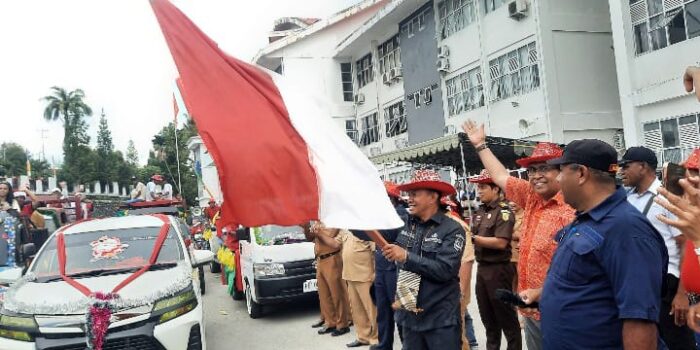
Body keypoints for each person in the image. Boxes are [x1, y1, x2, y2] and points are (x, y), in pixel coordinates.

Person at [520, 139, 668, 349]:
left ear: (581, 173)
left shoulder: (626, 230)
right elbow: (586, 280)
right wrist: (543, 294)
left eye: (561, 171)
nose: (559, 180)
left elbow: (639, 319)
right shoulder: (586, 218)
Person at [462, 120, 575, 350]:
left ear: (562, 172)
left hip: (561, 312)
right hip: (530, 310)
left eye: (544, 168)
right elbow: (500, 176)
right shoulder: (532, 197)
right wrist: (481, 146)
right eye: (532, 170)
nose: (536, 176)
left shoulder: (573, 208)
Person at [619, 146, 696, 349]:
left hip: (668, 285)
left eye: (626, 166)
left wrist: (681, 294)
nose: (621, 171)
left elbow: (684, 244)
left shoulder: (667, 198)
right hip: (639, 282)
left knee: (677, 341)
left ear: (643, 167)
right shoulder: (628, 199)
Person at [382, 169, 466, 350]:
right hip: (409, 315)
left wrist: (406, 256)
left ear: (432, 197)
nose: (409, 198)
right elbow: (370, 230)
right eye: (408, 194)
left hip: (439, 319)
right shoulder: (404, 223)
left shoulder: (452, 229)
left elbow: (445, 270)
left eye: (415, 194)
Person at [351, 181, 408, 350]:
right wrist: (351, 223)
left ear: (391, 198)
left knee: (399, 312)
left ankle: (408, 345)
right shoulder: (381, 216)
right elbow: (367, 235)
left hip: (395, 271)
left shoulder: (400, 214)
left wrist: (360, 223)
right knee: (383, 312)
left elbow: (386, 234)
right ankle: (384, 345)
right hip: (383, 270)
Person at [469, 170, 521, 350]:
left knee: (507, 318)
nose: (479, 191)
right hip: (483, 269)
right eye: (478, 187)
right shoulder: (479, 212)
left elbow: (501, 242)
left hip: (499, 270)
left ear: (496, 189)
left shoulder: (504, 211)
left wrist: (473, 238)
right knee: (488, 318)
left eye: (483, 187)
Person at [315, 229, 378, 347]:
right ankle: (363, 337)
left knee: (371, 309)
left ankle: (376, 338)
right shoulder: (345, 229)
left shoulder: (367, 227)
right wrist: (320, 234)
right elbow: (335, 244)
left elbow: (375, 251)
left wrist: (375, 272)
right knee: (357, 310)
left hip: (365, 275)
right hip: (349, 274)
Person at [303, 221, 351, 337]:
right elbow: (310, 237)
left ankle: (343, 324)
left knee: (337, 293)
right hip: (320, 260)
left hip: (332, 258)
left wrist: (318, 231)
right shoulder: (318, 222)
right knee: (324, 294)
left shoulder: (333, 219)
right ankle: (330, 322)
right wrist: (305, 227)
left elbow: (330, 236)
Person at [443, 196, 477, 350]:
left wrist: (460, 293)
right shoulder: (422, 225)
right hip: (432, 296)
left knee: (455, 336)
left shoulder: (456, 226)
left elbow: (466, 260)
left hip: (451, 293)